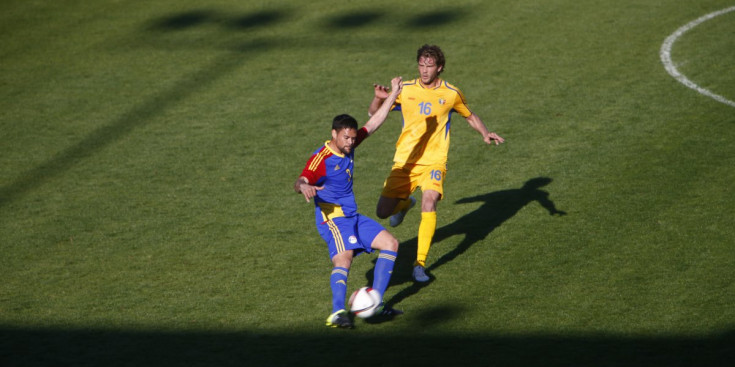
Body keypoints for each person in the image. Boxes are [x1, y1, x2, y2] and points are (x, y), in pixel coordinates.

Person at [368, 44, 505, 283]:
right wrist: (379, 98)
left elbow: (470, 115)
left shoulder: (451, 93)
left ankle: (419, 264)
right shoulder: (405, 89)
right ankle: (404, 204)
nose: (424, 70)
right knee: (382, 212)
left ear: (439, 67)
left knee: (429, 203)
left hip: (434, 161)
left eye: (429, 66)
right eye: (421, 65)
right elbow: (372, 114)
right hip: (405, 161)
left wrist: (484, 133)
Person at [295, 76, 404, 329]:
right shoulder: (321, 158)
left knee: (391, 243)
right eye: (345, 138)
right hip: (332, 219)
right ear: (334, 134)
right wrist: (304, 187)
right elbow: (300, 179)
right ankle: (336, 312)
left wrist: (393, 93)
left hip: (353, 216)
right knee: (343, 259)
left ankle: (376, 302)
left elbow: (373, 123)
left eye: (353, 138)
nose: (351, 142)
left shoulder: (349, 146)